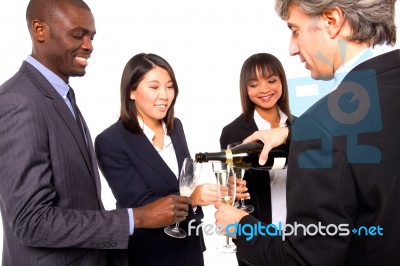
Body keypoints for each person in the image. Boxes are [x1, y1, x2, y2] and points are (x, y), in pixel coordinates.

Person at [0, 1, 190, 265]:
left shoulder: (62, 96)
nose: (89, 45)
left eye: (91, 36)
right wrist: (138, 217)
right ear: (39, 30)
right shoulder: (18, 101)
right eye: (78, 35)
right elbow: (31, 222)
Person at [215, 0, 400, 265]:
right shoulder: (319, 125)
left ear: (332, 21)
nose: (292, 49)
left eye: (295, 29)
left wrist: (241, 227)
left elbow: (303, 260)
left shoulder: (320, 126)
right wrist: (292, 136)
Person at [95, 53, 217, 266]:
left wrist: (214, 191)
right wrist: (191, 199)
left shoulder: (176, 127)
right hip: (150, 254)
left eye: (170, 87)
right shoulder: (110, 141)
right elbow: (138, 204)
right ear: (131, 91)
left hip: (190, 248)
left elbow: (185, 182)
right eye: (154, 87)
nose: (165, 95)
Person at [220, 53, 294, 227]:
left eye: (271, 80)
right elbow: (230, 189)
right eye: (254, 84)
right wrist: (232, 190)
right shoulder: (232, 132)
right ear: (245, 89)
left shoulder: (298, 127)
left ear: (281, 81)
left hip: (299, 230)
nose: (264, 89)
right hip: (257, 230)